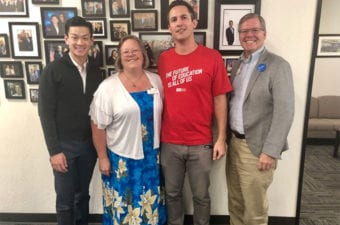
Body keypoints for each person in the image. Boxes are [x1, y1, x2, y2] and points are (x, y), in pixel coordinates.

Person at [157, 1, 232, 225]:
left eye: (183, 18)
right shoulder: (163, 60)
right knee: (171, 195)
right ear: (169, 27)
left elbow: (220, 99)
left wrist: (221, 138)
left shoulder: (212, 57)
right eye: (173, 20)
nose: (179, 23)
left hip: (201, 142)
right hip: (169, 142)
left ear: (194, 22)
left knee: (201, 197)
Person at [89, 35, 166, 225]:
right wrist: (103, 157)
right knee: (125, 206)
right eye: (126, 52)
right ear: (119, 57)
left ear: (143, 54)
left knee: (149, 204)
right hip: (121, 160)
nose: (131, 54)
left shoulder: (156, 81)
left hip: (151, 158)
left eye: (135, 50)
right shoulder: (107, 88)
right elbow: (97, 125)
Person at [226, 13, 295, 225]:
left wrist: (270, 151)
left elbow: (285, 111)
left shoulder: (278, 65)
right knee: (235, 203)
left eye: (254, 30)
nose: (249, 35)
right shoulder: (237, 65)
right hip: (234, 145)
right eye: (244, 31)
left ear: (263, 33)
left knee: (254, 210)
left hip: (257, 149)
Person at [38, 16, 102, 225]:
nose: (80, 43)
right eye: (75, 37)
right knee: (65, 201)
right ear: (66, 39)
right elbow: (45, 113)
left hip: (88, 146)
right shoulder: (52, 70)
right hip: (63, 147)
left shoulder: (96, 71)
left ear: (91, 40)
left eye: (85, 38)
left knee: (82, 196)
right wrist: (54, 151)